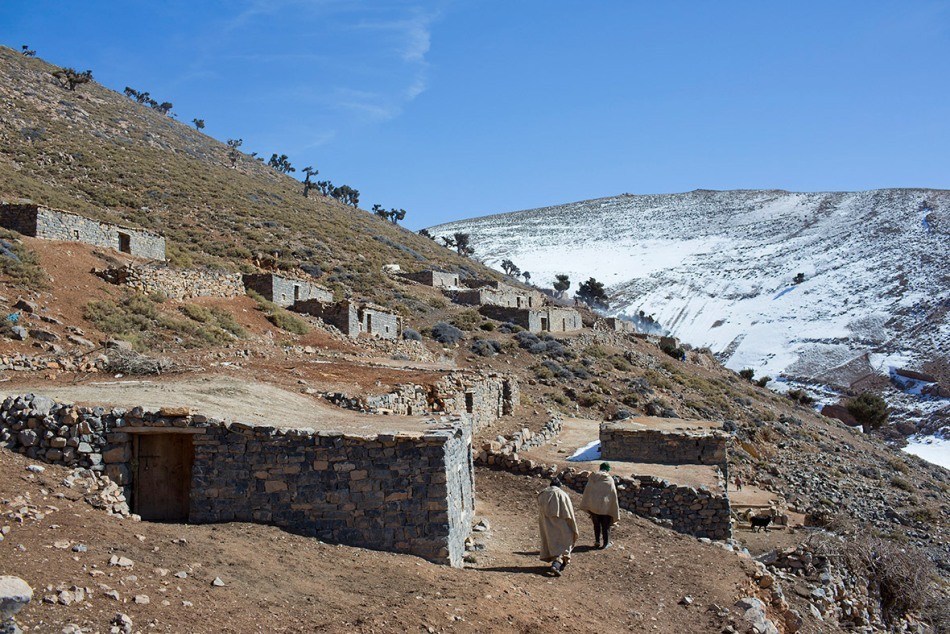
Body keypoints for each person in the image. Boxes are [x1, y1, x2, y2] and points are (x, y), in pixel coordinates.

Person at [537, 476, 578, 576]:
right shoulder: (562, 494)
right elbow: (569, 513)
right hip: (561, 524)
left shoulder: (543, 494)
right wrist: (573, 526)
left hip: (546, 524)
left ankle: (558, 564)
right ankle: (556, 565)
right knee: (565, 543)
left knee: (553, 543)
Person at [579, 462, 620, 549]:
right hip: (605, 508)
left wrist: (590, 504)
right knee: (605, 526)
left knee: (596, 525)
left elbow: (588, 492)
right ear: (607, 470)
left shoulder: (593, 478)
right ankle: (605, 544)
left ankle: (597, 541)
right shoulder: (609, 479)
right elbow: (612, 495)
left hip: (593, 507)